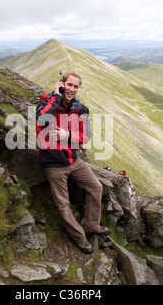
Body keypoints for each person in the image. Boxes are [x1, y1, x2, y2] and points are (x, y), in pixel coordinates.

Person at [35, 72, 109, 254]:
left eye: (76, 86)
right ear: (62, 84)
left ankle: (91, 225)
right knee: (63, 204)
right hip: (53, 164)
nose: (72, 89)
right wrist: (55, 96)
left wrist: (66, 135)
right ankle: (80, 238)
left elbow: (86, 136)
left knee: (96, 187)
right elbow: (41, 119)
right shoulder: (46, 102)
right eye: (69, 85)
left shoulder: (81, 109)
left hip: (73, 160)